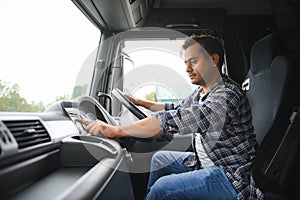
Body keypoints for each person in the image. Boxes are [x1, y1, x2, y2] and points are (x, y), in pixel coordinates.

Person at [76, 35, 264, 199]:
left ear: (214, 60)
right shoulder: (202, 92)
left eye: (193, 61)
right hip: (204, 162)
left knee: (163, 189)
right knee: (159, 159)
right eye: (185, 63)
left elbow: (180, 119)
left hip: (229, 175)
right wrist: (140, 102)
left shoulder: (227, 95)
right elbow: (175, 107)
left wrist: (115, 130)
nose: (187, 68)